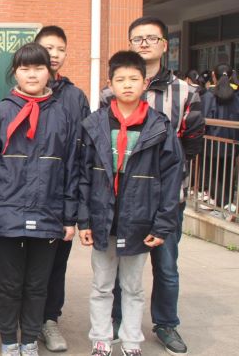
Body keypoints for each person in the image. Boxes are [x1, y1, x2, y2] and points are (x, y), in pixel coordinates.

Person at [102, 17, 204, 356]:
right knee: (121, 263)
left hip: (165, 199)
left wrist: (163, 179)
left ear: (164, 45)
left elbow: (191, 144)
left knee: (166, 264)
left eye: (151, 38)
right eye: (137, 39)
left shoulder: (186, 92)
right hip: (122, 199)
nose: (144, 43)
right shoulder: (108, 94)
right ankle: (118, 321)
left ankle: (165, 323)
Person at [79, 51, 183, 356]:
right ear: (110, 83)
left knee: (133, 287)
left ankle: (131, 342)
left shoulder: (159, 127)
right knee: (102, 285)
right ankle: (101, 338)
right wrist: (84, 220)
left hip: (139, 221)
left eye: (133, 79)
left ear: (145, 83)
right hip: (103, 219)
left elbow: (171, 180)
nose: (127, 85)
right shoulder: (95, 124)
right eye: (120, 79)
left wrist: (162, 224)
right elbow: (83, 176)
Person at [0, 43, 78, 356]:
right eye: (25, 68)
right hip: (5, 215)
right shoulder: (1, 112)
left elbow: (71, 169)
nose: (32, 74)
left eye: (38, 68)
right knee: (8, 285)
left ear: (50, 72)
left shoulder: (63, 114)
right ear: (15, 73)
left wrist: (70, 217)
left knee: (37, 285)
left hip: (49, 214)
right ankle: (9, 340)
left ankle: (30, 339)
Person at [34, 25, 90, 352]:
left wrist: (77, 206)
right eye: (48, 48)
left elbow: (83, 152)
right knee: (27, 267)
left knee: (56, 264)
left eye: (60, 49)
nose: (54, 54)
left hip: (61, 196)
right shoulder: (18, 94)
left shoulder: (74, 97)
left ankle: (49, 320)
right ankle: (26, 320)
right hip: (26, 197)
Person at [200, 63, 239, 209]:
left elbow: (203, 119)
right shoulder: (235, 97)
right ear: (230, 76)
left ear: (213, 76)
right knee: (227, 173)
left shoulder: (208, 96)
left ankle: (218, 201)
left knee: (212, 172)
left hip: (211, 143)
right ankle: (227, 202)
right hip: (231, 142)